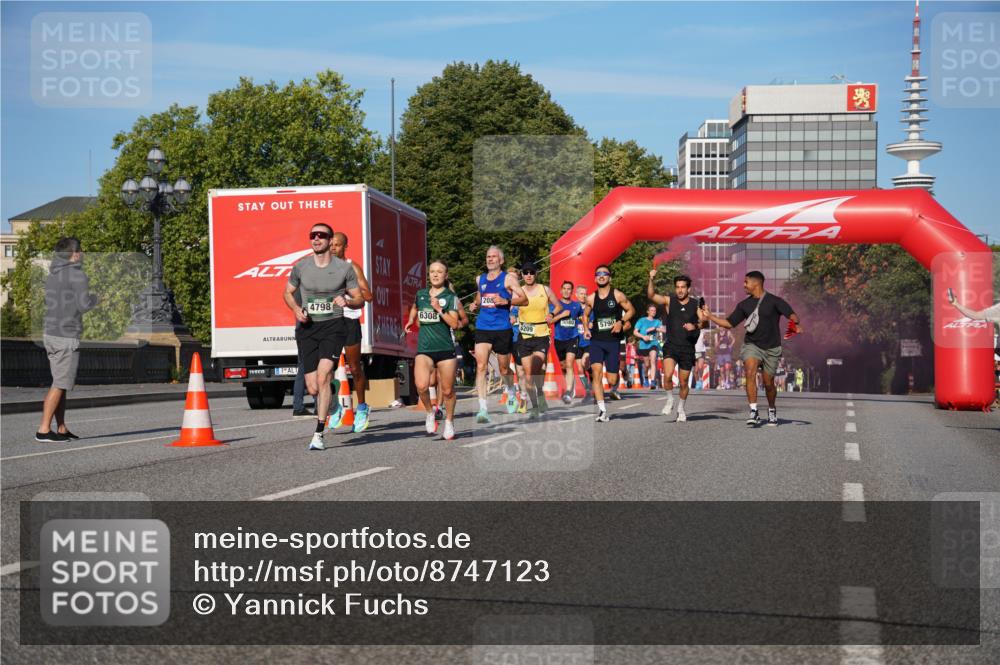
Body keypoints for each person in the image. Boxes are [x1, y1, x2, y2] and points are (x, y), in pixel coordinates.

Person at [284, 223, 364, 450]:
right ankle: (333, 397)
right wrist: (295, 309)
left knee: (322, 376)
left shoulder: (344, 269)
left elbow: (360, 298)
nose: (316, 239)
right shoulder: (301, 267)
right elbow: (287, 292)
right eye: (313, 235)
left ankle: (319, 432)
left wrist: (347, 301)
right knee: (313, 388)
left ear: (330, 241)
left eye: (322, 235)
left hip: (333, 327)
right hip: (308, 329)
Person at [703, 271, 801, 427]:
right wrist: (710, 316)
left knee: (769, 383)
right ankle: (753, 411)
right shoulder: (744, 305)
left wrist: (795, 324)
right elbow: (729, 323)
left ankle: (771, 410)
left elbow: (792, 314)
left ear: (756, 283)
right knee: (750, 372)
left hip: (772, 348)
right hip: (752, 345)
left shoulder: (775, 301)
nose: (743, 285)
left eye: (745, 282)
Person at [36, 237, 99, 442]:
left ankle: (61, 428)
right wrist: (95, 300)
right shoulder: (77, 275)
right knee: (60, 384)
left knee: (60, 383)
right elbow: (83, 306)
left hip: (50, 334)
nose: (82, 253)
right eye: (80, 250)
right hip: (66, 336)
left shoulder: (53, 275)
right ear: (74, 254)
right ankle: (43, 430)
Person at [405, 260, 465, 440]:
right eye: (432, 272)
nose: (436, 274)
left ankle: (449, 422)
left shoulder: (450, 297)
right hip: (424, 348)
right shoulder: (421, 294)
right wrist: (410, 320)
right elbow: (415, 308)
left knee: (447, 391)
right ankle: (430, 413)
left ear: (446, 275)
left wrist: (439, 309)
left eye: (440, 272)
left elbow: (455, 323)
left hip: (445, 348)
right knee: (421, 385)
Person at [467, 246, 527, 423]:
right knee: (481, 366)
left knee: (503, 369)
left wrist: (506, 300)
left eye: (494, 257)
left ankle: (510, 392)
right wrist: (475, 304)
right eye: (488, 257)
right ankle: (483, 409)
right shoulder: (480, 279)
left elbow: (524, 299)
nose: (490, 259)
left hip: (502, 329)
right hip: (483, 327)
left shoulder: (508, 279)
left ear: (501, 261)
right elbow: (480, 297)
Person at [329, 232, 375, 432]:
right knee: (326, 369)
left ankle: (362, 407)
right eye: (331, 244)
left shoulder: (351, 267)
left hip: (349, 321)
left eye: (337, 245)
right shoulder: (322, 267)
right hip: (329, 322)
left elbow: (368, 296)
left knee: (354, 368)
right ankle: (336, 406)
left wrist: (347, 291)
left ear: (345, 246)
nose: (333, 248)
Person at [648, 270, 707, 422]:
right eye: (677, 287)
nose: (680, 290)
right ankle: (669, 399)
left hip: (687, 348)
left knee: (683, 382)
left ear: (688, 289)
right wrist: (651, 279)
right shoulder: (670, 301)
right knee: (667, 376)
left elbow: (704, 322)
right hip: (671, 345)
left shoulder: (695, 304)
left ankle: (681, 408)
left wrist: (694, 326)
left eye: (683, 287)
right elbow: (651, 296)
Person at [582, 264, 635, 422]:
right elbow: (585, 315)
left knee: (611, 379)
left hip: (613, 341)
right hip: (597, 340)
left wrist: (620, 321)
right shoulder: (591, 298)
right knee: (596, 374)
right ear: (595, 278)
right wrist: (586, 328)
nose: (601, 276)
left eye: (605, 274)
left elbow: (631, 310)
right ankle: (602, 410)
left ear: (609, 277)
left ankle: (616, 383)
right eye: (598, 274)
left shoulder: (617, 295)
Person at [516, 261, 563, 417]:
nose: (528, 275)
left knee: (535, 370)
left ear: (536, 273)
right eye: (525, 272)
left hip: (542, 335)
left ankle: (540, 393)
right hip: (524, 336)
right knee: (528, 375)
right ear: (522, 275)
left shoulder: (545, 289)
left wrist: (551, 314)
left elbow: (558, 306)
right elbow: (507, 306)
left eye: (531, 272)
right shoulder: (518, 291)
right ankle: (535, 404)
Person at [551, 280, 583, 404]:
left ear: (571, 291)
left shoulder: (577, 306)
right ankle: (570, 385)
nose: (566, 290)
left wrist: (586, 328)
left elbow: (582, 317)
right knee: (564, 366)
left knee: (570, 363)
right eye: (564, 288)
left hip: (573, 337)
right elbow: (549, 321)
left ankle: (569, 391)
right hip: (559, 339)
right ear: (560, 290)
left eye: (569, 289)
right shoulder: (555, 305)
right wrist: (561, 315)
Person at [634, 305, 664, 390]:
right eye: (651, 310)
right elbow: (635, 332)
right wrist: (643, 337)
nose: (653, 312)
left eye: (654, 310)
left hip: (653, 343)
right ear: (648, 311)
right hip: (644, 344)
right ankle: (646, 377)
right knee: (646, 365)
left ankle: (653, 381)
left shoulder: (657, 321)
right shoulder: (642, 320)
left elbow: (664, 330)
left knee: (653, 360)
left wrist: (655, 328)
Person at [574, 285, 593, 401]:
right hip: (576, 341)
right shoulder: (574, 308)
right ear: (576, 295)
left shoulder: (590, 308)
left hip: (588, 341)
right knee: (580, 369)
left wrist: (591, 324)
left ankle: (594, 382)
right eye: (581, 293)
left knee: (585, 363)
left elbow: (594, 321)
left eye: (585, 294)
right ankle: (588, 390)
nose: (583, 296)